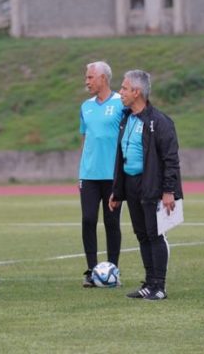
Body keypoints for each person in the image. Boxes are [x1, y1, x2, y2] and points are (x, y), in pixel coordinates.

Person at [109, 69, 183, 301]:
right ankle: (149, 283)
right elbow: (122, 158)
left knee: (155, 234)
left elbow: (171, 159)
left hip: (151, 185)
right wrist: (117, 191)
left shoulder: (159, 122)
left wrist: (169, 191)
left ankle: (158, 286)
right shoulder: (125, 119)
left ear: (137, 92)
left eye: (124, 88)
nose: (120, 92)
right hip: (131, 185)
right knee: (141, 234)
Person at [78, 61, 124, 287]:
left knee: (111, 222)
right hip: (88, 175)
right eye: (86, 78)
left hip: (113, 176)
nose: (86, 82)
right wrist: (81, 167)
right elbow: (85, 138)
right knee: (88, 220)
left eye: (90, 77)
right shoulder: (85, 106)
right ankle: (91, 270)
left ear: (103, 78)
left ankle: (113, 269)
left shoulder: (120, 104)